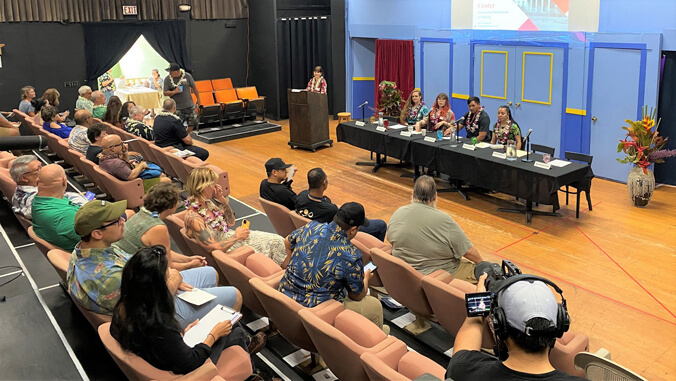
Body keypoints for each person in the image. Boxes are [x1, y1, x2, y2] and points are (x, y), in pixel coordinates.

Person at [67, 200, 248, 331]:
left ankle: (207, 324)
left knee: (210, 272)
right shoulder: (109, 277)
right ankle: (224, 343)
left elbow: (139, 270)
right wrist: (173, 280)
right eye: (117, 221)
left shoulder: (87, 250)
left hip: (150, 289)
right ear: (98, 233)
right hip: (155, 314)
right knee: (235, 295)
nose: (124, 221)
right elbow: (148, 308)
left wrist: (167, 275)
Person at [110, 246, 265, 376]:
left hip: (165, 352)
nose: (171, 271)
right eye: (168, 271)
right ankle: (251, 373)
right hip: (186, 368)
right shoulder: (161, 325)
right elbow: (189, 362)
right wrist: (213, 335)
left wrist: (182, 334)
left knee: (231, 326)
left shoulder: (124, 308)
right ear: (158, 287)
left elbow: (167, 344)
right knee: (234, 330)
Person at [447, 273, 584, 380]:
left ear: (499, 326)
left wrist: (480, 301)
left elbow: (464, 345)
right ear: (560, 325)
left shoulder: (464, 370)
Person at [279, 202, 387, 332]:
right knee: (374, 306)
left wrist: (292, 264)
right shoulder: (351, 255)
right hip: (316, 312)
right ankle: (376, 341)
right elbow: (357, 296)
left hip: (285, 298)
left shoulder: (312, 226)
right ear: (353, 230)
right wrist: (366, 278)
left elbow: (287, 241)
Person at [387, 176, 483, 283]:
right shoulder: (444, 220)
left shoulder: (398, 212)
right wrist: (483, 264)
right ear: (435, 196)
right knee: (486, 273)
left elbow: (391, 239)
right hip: (440, 275)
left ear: (413, 194)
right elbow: (468, 251)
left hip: (407, 273)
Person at [184, 167, 287, 265]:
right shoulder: (194, 218)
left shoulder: (208, 203)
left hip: (230, 237)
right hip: (228, 247)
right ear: (203, 186)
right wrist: (237, 236)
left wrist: (222, 201)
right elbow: (213, 248)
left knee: (277, 240)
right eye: (212, 184)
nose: (215, 187)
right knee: (272, 245)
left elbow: (230, 222)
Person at [113, 183, 207, 271]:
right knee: (209, 272)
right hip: (129, 272)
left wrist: (187, 259)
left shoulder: (142, 214)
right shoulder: (157, 227)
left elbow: (165, 252)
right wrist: (190, 265)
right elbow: (168, 267)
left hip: (121, 262)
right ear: (173, 205)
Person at [295, 168, 387, 241]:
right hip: (336, 234)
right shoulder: (330, 209)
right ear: (324, 183)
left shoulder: (301, 196)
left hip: (308, 234)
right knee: (381, 225)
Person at [10, 156, 86, 219]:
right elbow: (78, 214)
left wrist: (75, 196)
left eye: (41, 166)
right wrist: (83, 201)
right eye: (38, 169)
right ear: (24, 178)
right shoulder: (40, 202)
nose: (43, 170)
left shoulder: (20, 192)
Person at [31, 164, 83, 251]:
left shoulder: (37, 200)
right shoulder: (65, 216)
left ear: (37, 182)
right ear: (64, 181)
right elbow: (100, 239)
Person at [98, 135, 170, 193]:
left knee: (161, 174)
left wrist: (125, 152)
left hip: (121, 184)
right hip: (132, 187)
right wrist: (141, 165)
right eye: (121, 144)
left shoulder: (103, 157)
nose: (123, 145)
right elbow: (131, 176)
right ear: (113, 148)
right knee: (166, 180)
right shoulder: (116, 163)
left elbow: (125, 165)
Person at [163, 63, 200, 133]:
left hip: (189, 105)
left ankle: (186, 134)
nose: (170, 73)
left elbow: (194, 87)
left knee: (193, 122)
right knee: (176, 125)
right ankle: (179, 137)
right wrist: (174, 92)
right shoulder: (167, 79)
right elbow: (165, 93)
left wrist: (198, 98)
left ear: (177, 71)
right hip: (176, 108)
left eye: (171, 72)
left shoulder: (187, 76)